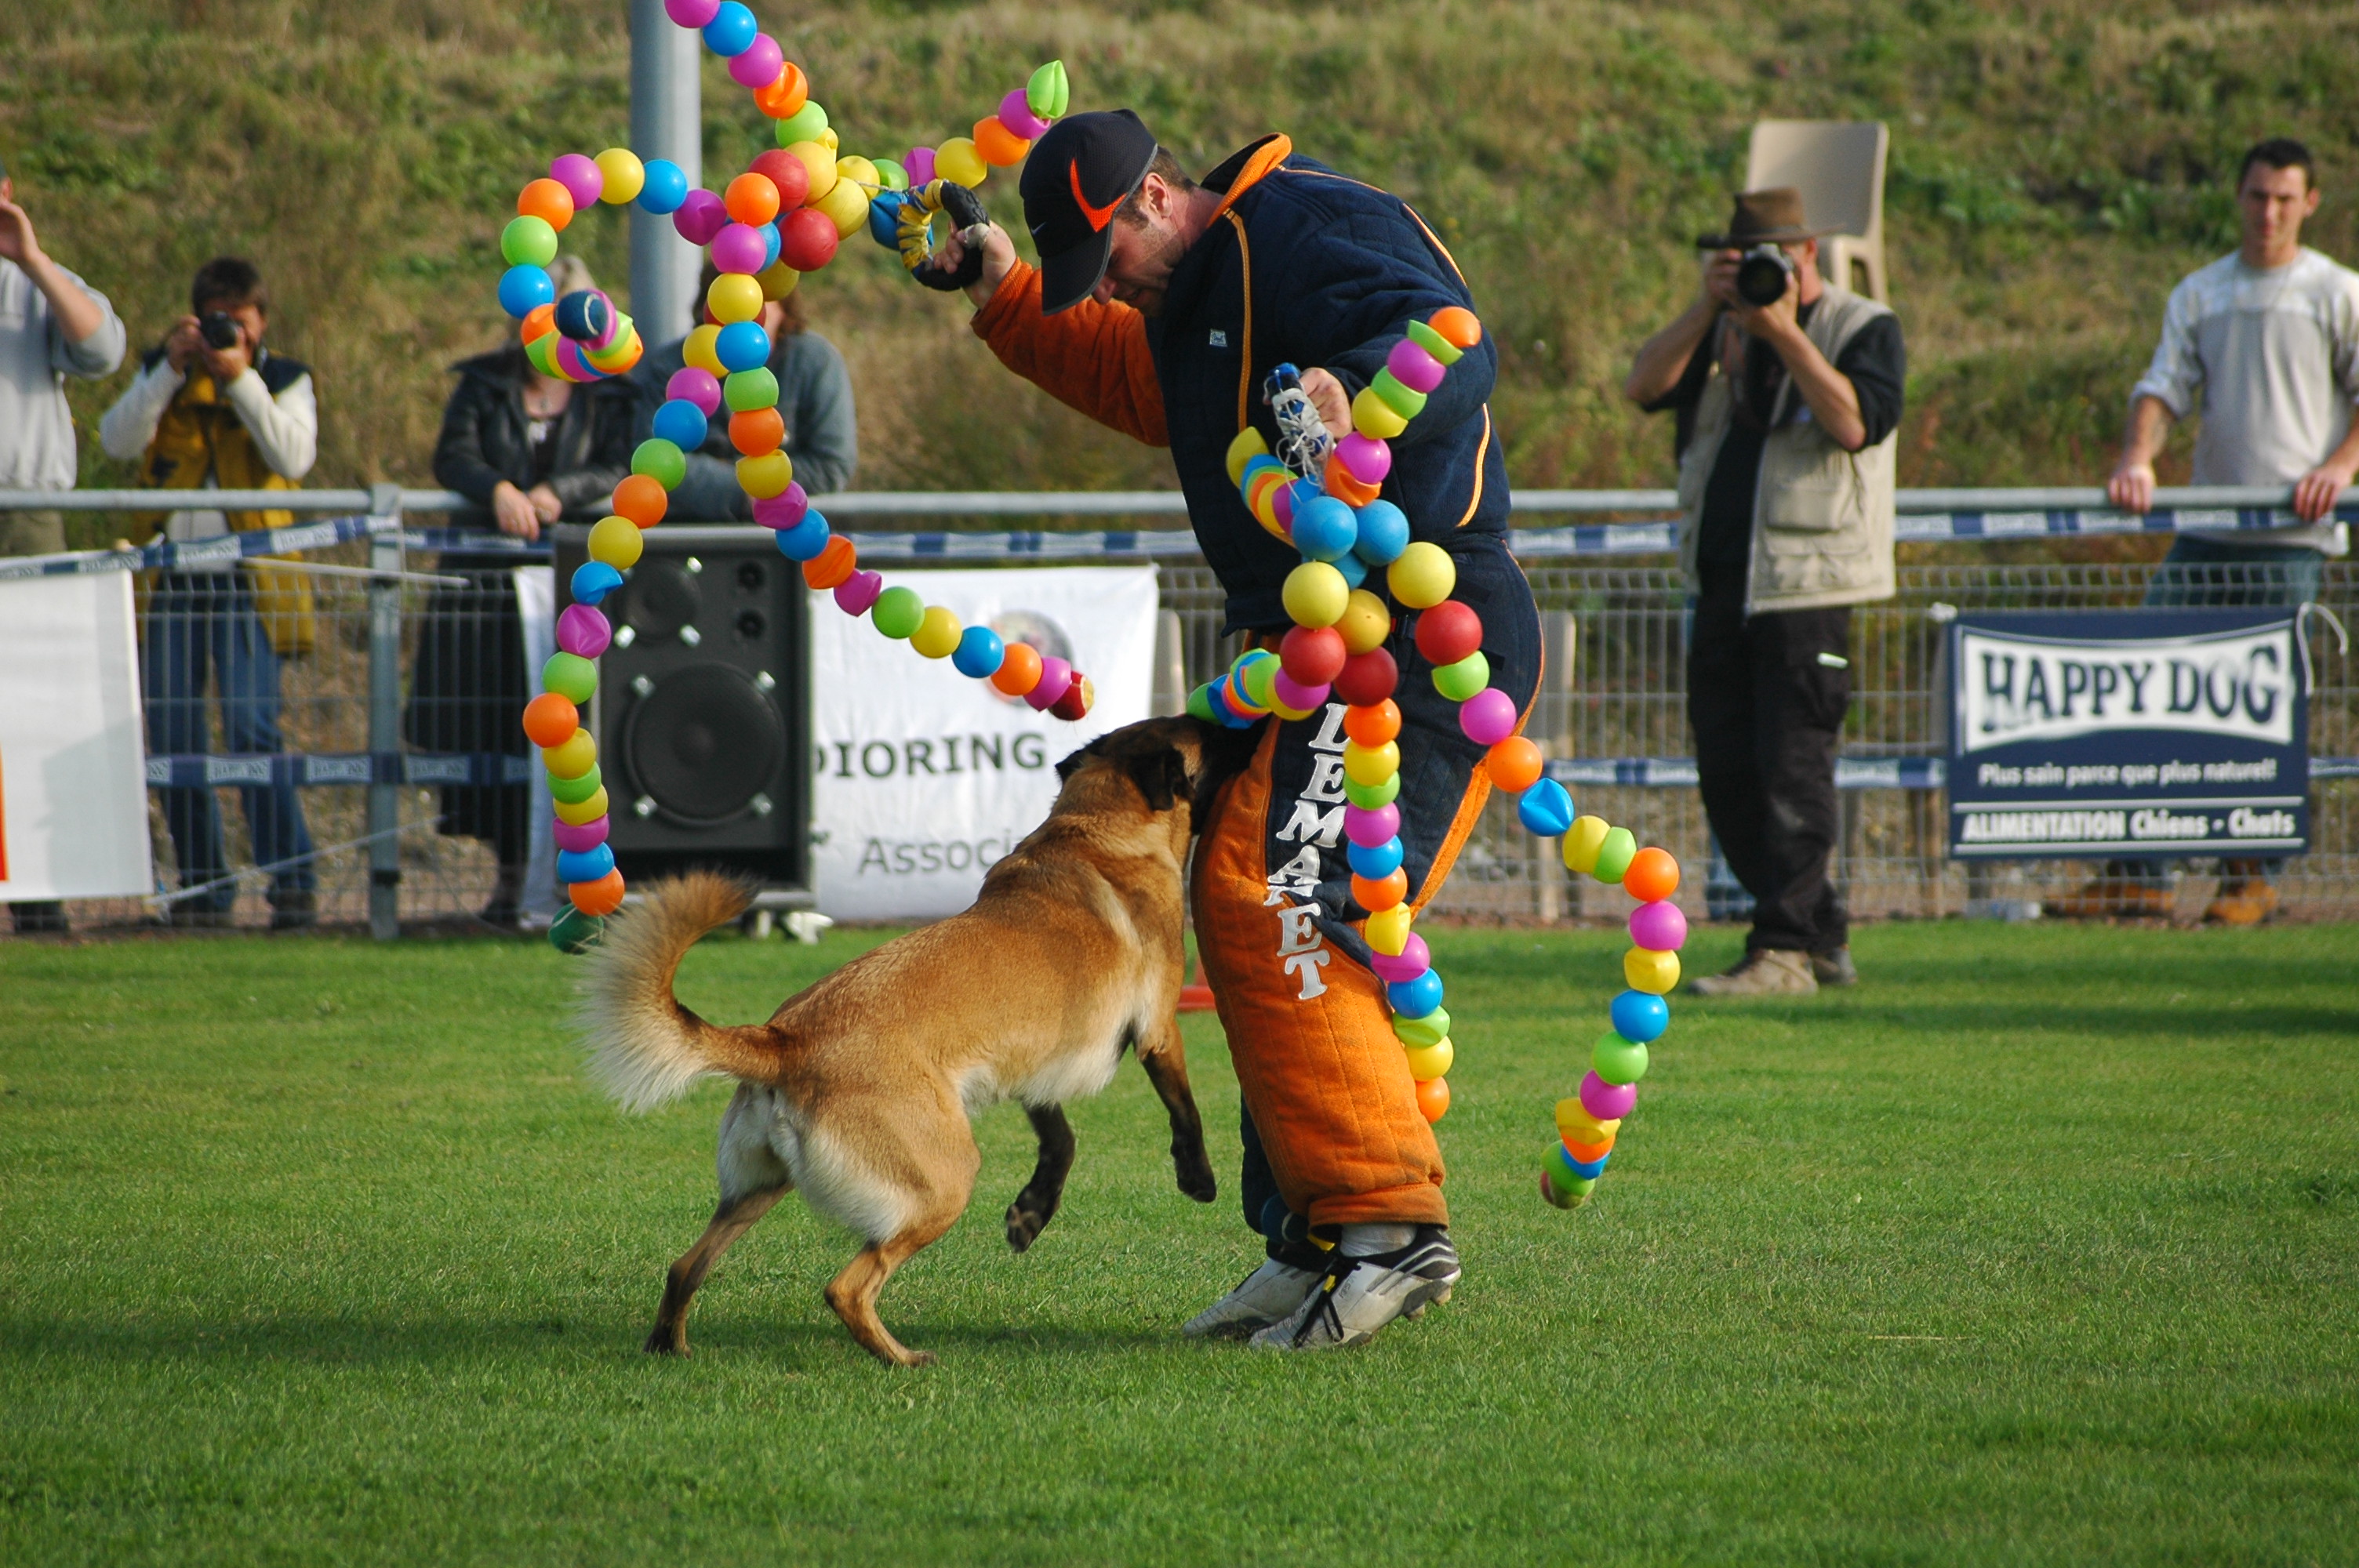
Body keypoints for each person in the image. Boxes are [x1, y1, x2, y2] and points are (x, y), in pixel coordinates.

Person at [928, 111, 1536, 1350]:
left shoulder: (1306, 223)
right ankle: (1311, 1234)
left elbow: (1454, 344)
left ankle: (1386, 1227)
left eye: (1114, 265)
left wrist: (1347, 395)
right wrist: (1012, 298)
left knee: (1289, 899)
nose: (1121, 294)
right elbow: (1144, 384)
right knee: (1244, 898)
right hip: (1310, 648)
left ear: (1153, 198)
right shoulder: (1197, 289)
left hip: (1412, 634)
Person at [2055, 137, 2359, 925]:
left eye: (2283, 199)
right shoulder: (2201, 291)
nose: (2268, 213)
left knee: (2261, 705)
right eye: (2256, 196)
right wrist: (2135, 457)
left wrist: (2339, 466)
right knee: (2145, 680)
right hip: (2205, 532)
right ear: (2238, 197)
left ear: (2309, 203)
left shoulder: (2334, 291)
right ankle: (2137, 872)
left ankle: (2247, 876)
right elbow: (2161, 387)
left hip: (2289, 539)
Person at [1623, 189, 1906, 995]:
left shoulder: (1861, 326)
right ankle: (1817, 936)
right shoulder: (1718, 326)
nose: (1758, 274)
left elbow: (1855, 425)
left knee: (1792, 771)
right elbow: (1642, 386)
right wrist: (1702, 310)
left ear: (1807, 253)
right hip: (1720, 583)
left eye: (1773, 259)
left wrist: (1779, 327)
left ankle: (1781, 949)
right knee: (1727, 772)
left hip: (1807, 587)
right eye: (1742, 260)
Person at [100, 256, 319, 930]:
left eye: (242, 323)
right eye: (218, 322)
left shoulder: (283, 378)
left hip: (250, 582)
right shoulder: (165, 370)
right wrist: (170, 369)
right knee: (174, 732)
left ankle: (291, 884)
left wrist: (241, 380)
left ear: (261, 324)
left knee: (253, 728)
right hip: (173, 579)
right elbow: (118, 441)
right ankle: (202, 888)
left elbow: (293, 457)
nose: (232, 335)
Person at [422, 255, 638, 926]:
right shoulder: (484, 383)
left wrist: (557, 493)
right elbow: (451, 454)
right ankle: (509, 877)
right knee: (492, 725)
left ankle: (581, 882)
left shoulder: (610, 392)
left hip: (576, 581)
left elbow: (617, 463)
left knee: (577, 728)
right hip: (485, 587)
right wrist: (499, 490)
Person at [0, 151, 127, 935]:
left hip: (23, 516)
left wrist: (32, 258)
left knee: (31, 704)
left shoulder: (34, 282)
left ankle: (40, 893)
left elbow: (102, 350)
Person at [631, 260, 856, 518]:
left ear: (784, 305)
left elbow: (831, 464)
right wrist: (742, 490)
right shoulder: (669, 366)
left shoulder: (816, 362)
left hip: (788, 530)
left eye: (758, 299)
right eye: (733, 301)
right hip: (689, 531)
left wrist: (754, 486)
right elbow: (651, 459)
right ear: (709, 308)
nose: (747, 314)